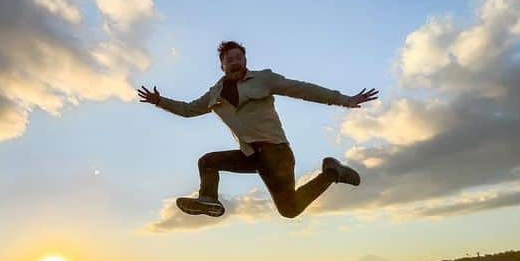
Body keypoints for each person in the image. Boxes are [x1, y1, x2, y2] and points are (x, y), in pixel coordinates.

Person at [138, 40, 378, 219]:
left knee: (290, 210)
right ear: (222, 65)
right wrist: (160, 101)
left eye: (238, 57)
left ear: (245, 61)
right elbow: (188, 109)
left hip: (276, 154)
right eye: (229, 59)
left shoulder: (263, 79)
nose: (235, 62)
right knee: (207, 161)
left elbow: (302, 89)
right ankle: (209, 200)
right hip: (251, 156)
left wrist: (344, 99)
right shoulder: (215, 94)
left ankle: (332, 172)